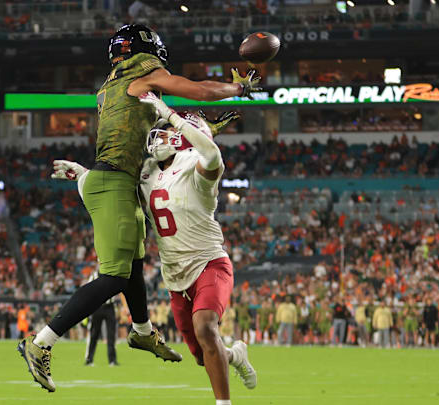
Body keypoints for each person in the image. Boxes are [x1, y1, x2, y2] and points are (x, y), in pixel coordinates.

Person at [20, 23, 262, 394]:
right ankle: (41, 342)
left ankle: (143, 331)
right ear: (146, 51)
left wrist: (203, 127)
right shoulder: (144, 73)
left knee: (135, 263)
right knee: (114, 276)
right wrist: (238, 89)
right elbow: (196, 90)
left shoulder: (111, 86)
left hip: (115, 180)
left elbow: (148, 136)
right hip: (114, 182)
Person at [53, 95, 257, 404]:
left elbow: (211, 153)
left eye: (163, 130)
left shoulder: (194, 164)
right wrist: (83, 175)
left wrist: (172, 116)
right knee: (204, 355)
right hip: (175, 277)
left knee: (205, 328)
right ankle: (235, 356)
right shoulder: (147, 173)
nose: (157, 136)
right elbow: (115, 193)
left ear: (181, 135)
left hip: (208, 264)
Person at [84, 271, 120, 366]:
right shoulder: (94, 275)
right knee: (94, 334)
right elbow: (88, 289)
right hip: (97, 306)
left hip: (110, 307)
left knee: (111, 334)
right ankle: (89, 359)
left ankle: (112, 360)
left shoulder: (112, 274)